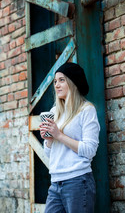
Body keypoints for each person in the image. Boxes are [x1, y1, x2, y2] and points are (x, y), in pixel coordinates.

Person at [39, 62, 100, 213]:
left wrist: (59, 135)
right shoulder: (55, 111)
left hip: (78, 181)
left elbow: (90, 150)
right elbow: (49, 154)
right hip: (55, 183)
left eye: (62, 80)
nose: (56, 85)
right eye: (55, 81)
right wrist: (48, 140)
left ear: (73, 83)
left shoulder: (87, 110)